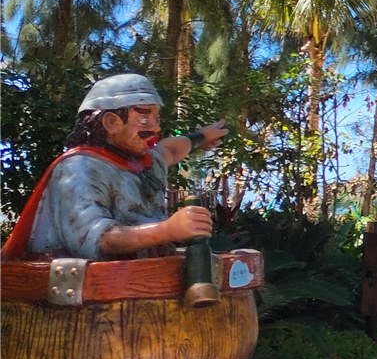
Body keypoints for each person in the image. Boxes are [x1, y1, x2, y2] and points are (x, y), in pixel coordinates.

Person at [2, 74, 229, 261]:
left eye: (156, 118)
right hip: (85, 297)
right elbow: (96, 238)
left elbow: (170, 149)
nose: (155, 128)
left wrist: (202, 136)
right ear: (111, 123)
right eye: (144, 118)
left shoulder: (144, 161)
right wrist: (166, 231)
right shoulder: (79, 169)